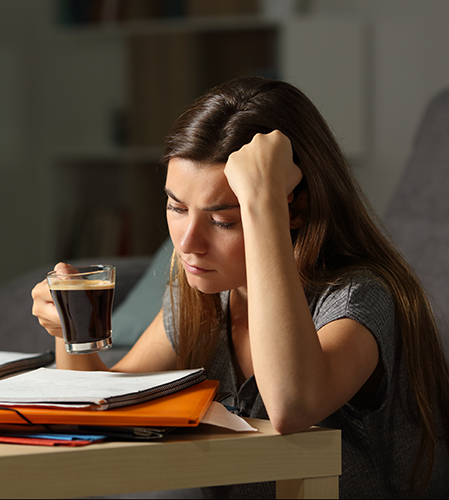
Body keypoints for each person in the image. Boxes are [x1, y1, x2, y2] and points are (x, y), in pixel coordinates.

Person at [32, 77, 449, 498]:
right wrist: (72, 331)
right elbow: (105, 404)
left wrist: (263, 201)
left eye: (223, 220)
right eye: (177, 207)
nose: (187, 243)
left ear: (294, 208)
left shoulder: (358, 298)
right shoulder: (203, 299)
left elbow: (292, 406)